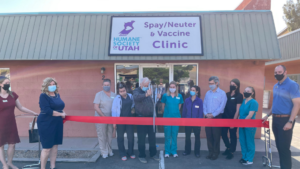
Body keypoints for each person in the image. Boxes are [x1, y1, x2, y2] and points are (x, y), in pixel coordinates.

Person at [262, 65, 300, 169]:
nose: (277, 74)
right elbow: (275, 103)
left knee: (284, 148)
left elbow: (297, 104)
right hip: (275, 119)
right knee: (279, 146)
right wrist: (267, 115)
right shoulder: (276, 86)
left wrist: (290, 121)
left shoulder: (292, 85)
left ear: (285, 72)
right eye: (276, 72)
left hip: (285, 120)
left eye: (279, 72)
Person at [0, 76, 38, 169]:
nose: (8, 84)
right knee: (0, 145)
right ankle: (4, 165)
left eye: (8, 82)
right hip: (0, 124)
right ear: (0, 84)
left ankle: (9, 163)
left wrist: (33, 112)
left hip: (11, 123)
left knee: (12, 144)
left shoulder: (13, 94)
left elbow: (21, 107)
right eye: (6, 83)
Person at [37, 77, 67, 169]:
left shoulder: (57, 94)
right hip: (46, 122)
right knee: (47, 148)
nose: (52, 86)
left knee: (55, 146)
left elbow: (59, 106)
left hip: (57, 122)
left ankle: (53, 167)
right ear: (45, 86)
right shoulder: (43, 96)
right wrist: (61, 114)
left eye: (53, 84)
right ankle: (43, 168)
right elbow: (47, 110)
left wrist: (62, 113)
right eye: (50, 84)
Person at [133, 77, 159, 163]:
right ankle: (142, 155)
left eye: (147, 85)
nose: (146, 86)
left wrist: (158, 98)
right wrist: (146, 95)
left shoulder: (151, 90)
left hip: (151, 118)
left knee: (152, 138)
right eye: (145, 85)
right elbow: (136, 98)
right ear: (141, 84)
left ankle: (153, 154)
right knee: (141, 138)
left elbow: (154, 102)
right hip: (141, 118)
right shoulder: (136, 91)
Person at [203, 76, 227, 160]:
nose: (210, 85)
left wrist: (213, 114)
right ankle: (210, 152)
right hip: (207, 117)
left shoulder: (222, 93)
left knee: (216, 136)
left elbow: (221, 106)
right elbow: (204, 104)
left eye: (212, 83)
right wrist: (206, 114)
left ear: (217, 83)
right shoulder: (207, 93)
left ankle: (216, 153)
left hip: (217, 117)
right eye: (209, 83)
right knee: (209, 135)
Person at [112, 82, 135, 161]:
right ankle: (122, 153)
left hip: (129, 120)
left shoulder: (130, 96)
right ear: (118, 91)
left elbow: (133, 105)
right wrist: (114, 122)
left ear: (126, 89)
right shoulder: (117, 98)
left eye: (123, 90)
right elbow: (114, 111)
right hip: (120, 120)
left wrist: (133, 110)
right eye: (120, 91)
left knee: (131, 137)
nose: (122, 92)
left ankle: (131, 152)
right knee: (120, 138)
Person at [93, 79, 116, 159]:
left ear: (110, 85)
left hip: (111, 118)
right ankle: (104, 152)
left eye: (108, 85)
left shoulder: (114, 94)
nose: (106, 86)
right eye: (105, 85)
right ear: (102, 86)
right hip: (101, 118)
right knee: (102, 135)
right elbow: (96, 106)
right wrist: (103, 116)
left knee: (109, 135)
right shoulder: (99, 94)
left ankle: (109, 150)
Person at [221, 79, 243, 160]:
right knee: (223, 134)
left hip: (233, 118)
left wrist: (233, 121)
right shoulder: (226, 94)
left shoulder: (239, 96)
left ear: (237, 86)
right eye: (231, 84)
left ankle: (232, 151)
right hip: (224, 117)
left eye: (234, 84)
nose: (232, 85)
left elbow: (238, 110)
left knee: (232, 135)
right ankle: (228, 147)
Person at [161, 81, 184, 158]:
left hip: (176, 118)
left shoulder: (179, 96)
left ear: (176, 88)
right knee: (167, 135)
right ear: (168, 88)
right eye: (171, 87)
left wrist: (175, 113)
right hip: (167, 118)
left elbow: (179, 106)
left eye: (174, 87)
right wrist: (167, 113)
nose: (172, 88)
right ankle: (167, 151)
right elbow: (163, 106)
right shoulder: (165, 96)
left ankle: (174, 151)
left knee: (174, 135)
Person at [238, 86, 258, 166]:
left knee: (249, 142)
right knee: (242, 141)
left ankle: (249, 159)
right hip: (241, 124)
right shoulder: (243, 101)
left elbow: (250, 115)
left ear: (252, 93)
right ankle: (244, 157)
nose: (246, 92)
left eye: (248, 91)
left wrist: (244, 123)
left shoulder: (254, 102)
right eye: (245, 90)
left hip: (249, 125)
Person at [182, 85, 203, 158]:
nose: (192, 91)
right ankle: (187, 150)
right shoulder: (187, 100)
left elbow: (200, 112)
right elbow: (184, 110)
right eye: (191, 90)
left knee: (197, 137)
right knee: (187, 137)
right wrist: (183, 119)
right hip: (188, 122)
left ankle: (197, 152)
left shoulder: (199, 101)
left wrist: (199, 122)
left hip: (196, 122)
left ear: (197, 91)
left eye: (193, 90)